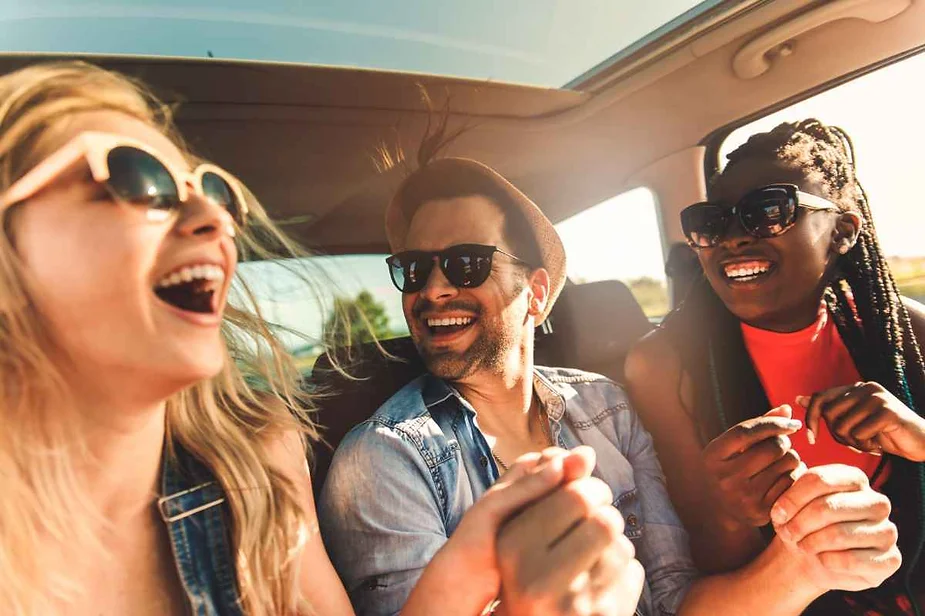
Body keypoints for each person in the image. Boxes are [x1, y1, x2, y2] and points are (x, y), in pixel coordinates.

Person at [0, 61, 617, 616]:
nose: (218, 219)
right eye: (141, 180)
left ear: (535, 294)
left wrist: (464, 582)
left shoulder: (260, 470)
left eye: (213, 191)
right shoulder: (380, 455)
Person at [318, 127, 902, 616]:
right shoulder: (383, 460)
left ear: (537, 293)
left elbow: (676, 600)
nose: (434, 288)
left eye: (465, 264)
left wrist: (801, 562)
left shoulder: (607, 407)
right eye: (414, 269)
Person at [625, 119, 925, 615]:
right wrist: (730, 512)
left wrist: (918, 436)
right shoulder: (663, 365)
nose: (734, 238)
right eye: (711, 222)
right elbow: (699, 571)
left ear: (843, 231)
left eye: (767, 212)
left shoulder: (902, 331)